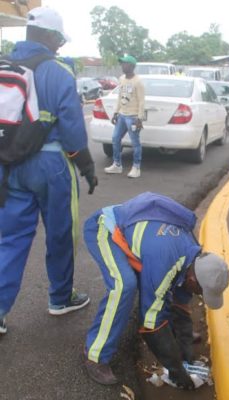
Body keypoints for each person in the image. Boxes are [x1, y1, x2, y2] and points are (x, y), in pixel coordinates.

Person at [0, 7, 98, 335]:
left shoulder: (5, 65)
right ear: (50, 37)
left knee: (10, 238)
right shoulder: (58, 71)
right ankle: (60, 298)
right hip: (52, 164)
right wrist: (86, 165)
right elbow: (71, 128)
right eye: (58, 40)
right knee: (60, 233)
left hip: (10, 164)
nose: (59, 46)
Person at [83, 193, 229, 388]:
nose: (199, 295)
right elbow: (151, 323)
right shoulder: (166, 259)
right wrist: (177, 371)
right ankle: (95, 354)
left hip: (141, 237)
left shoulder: (192, 257)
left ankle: (176, 339)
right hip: (104, 230)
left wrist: (183, 342)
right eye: (201, 291)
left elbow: (180, 299)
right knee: (125, 286)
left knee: (166, 289)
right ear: (193, 278)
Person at [105, 55, 145, 178]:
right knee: (115, 138)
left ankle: (136, 167)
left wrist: (139, 118)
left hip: (133, 117)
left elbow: (141, 101)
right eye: (122, 63)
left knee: (135, 143)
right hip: (122, 115)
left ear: (132, 66)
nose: (122, 66)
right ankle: (117, 164)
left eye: (125, 64)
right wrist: (116, 112)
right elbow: (120, 97)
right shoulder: (121, 78)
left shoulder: (138, 81)